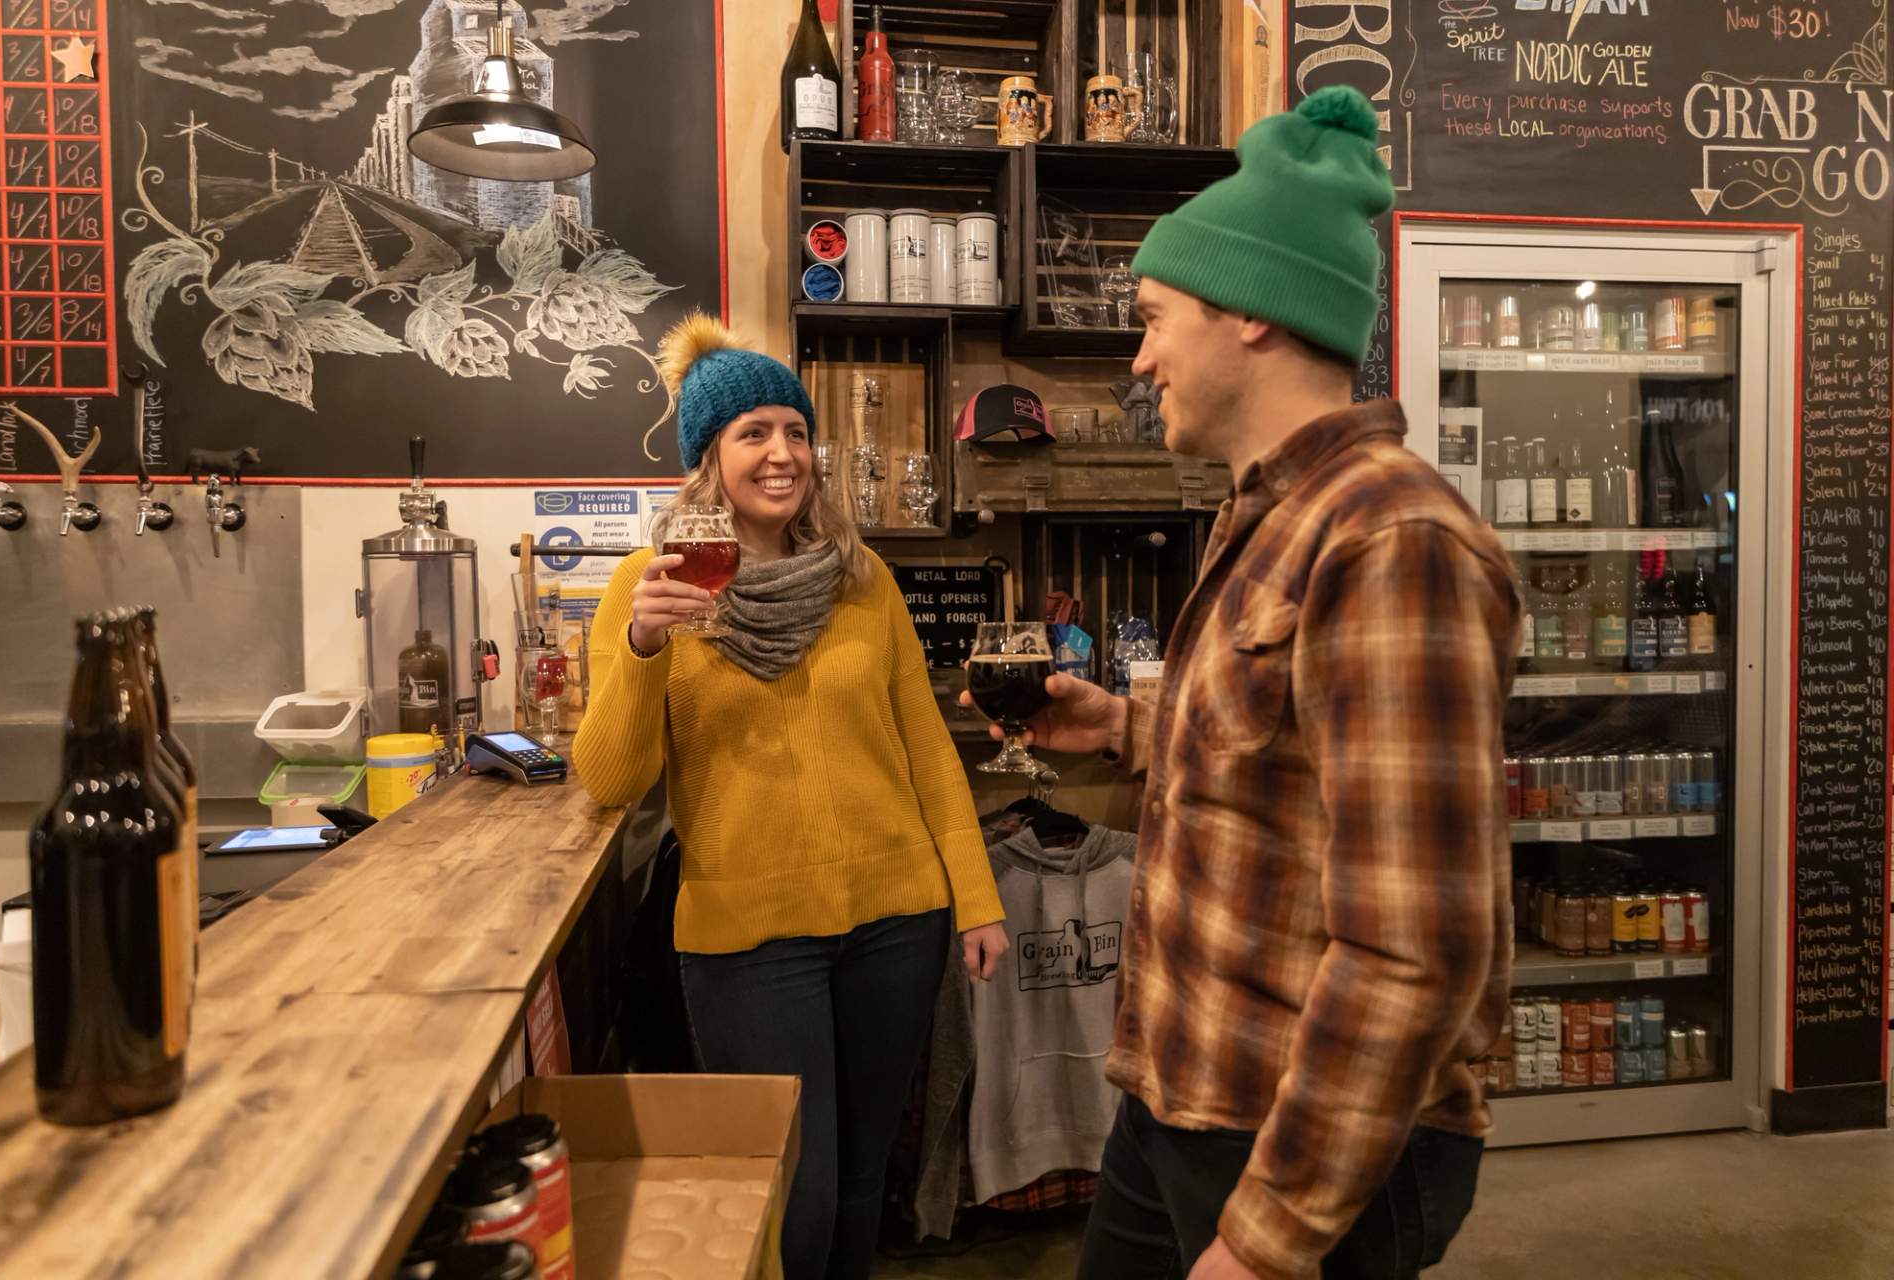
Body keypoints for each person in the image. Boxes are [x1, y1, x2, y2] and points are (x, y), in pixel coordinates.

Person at [966, 86, 1520, 1279]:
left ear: (1252, 316)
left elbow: (1418, 945)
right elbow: (1290, 749)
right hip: (1185, 1087)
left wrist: (1270, 1238)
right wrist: (1124, 721)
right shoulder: (1268, 515)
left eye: (1158, 317)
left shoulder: (1392, 539)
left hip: (1304, 1137)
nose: (1141, 353)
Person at [575, 315, 1010, 1280]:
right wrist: (645, 651)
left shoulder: (863, 583)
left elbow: (929, 752)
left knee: (861, 1180)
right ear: (707, 457)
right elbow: (610, 778)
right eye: (752, 434)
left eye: (795, 431)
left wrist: (975, 897)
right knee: (790, 1189)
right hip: (748, 941)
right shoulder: (650, 593)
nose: (782, 455)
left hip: (899, 920)